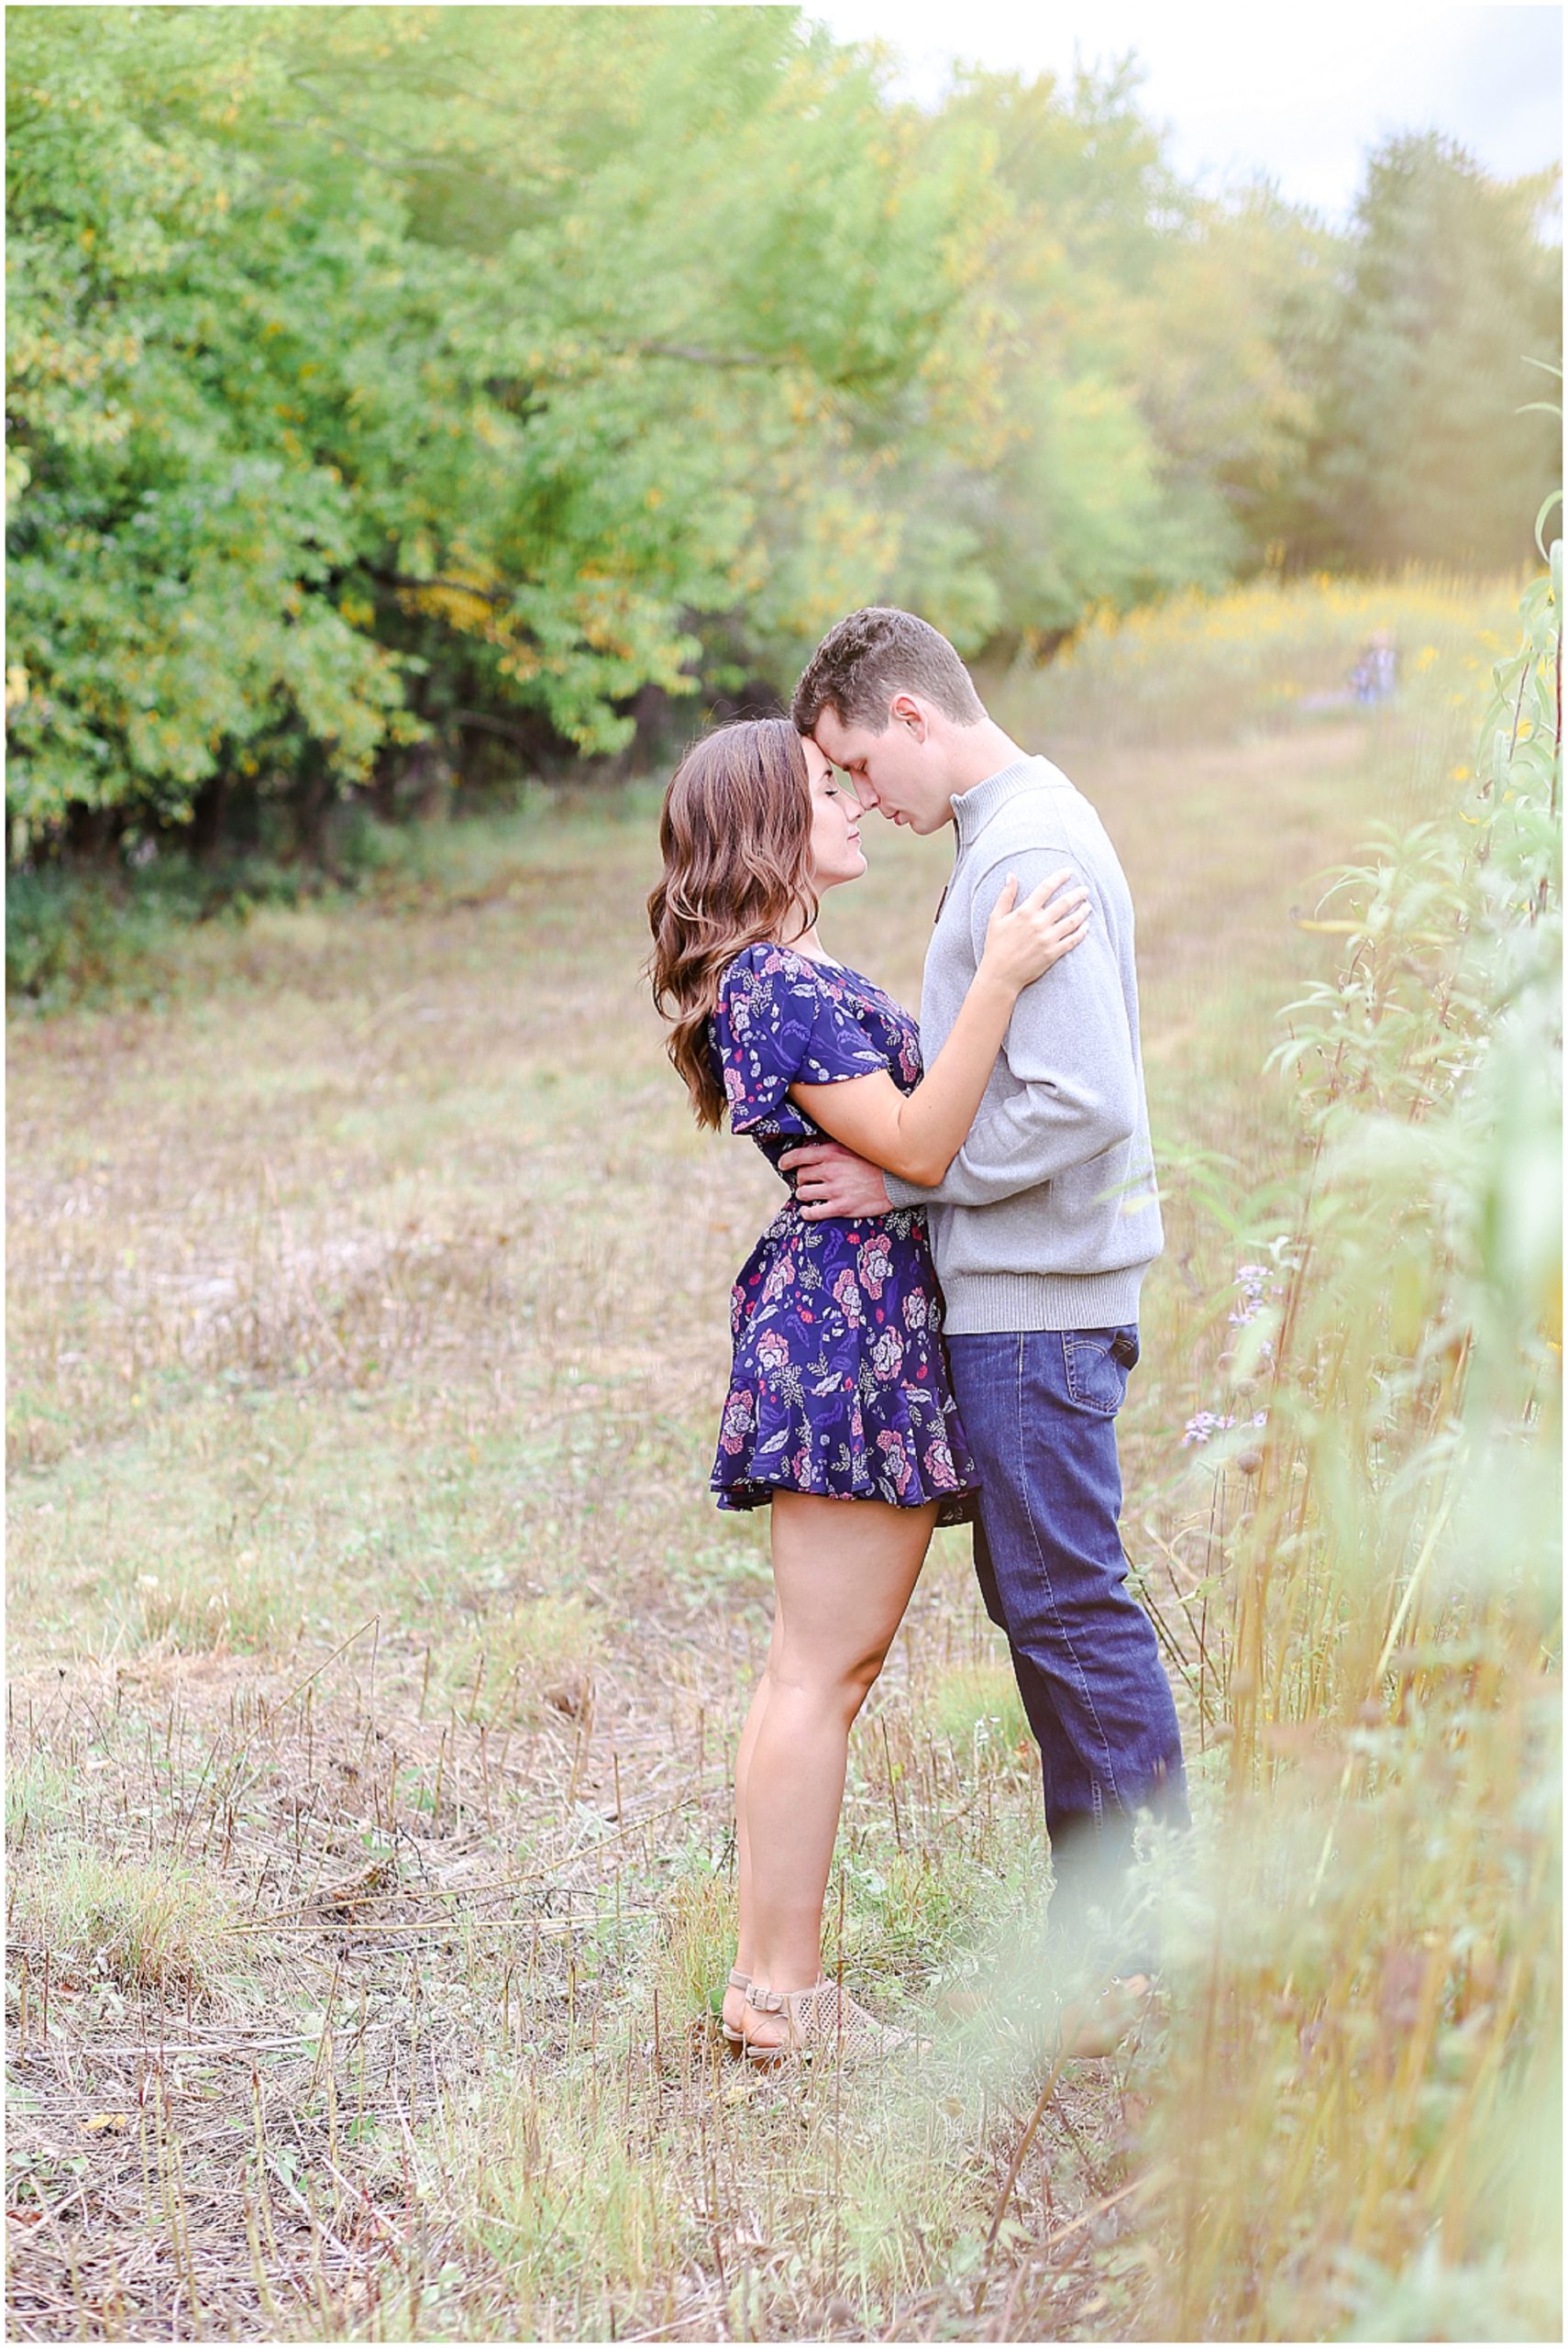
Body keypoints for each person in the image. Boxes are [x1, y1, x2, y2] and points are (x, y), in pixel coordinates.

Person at [647, 716, 1089, 2062]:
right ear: (768, 832)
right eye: (821, 789)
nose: (848, 801)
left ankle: (777, 1990)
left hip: (862, 1309)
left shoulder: (795, 969)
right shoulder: (770, 983)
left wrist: (895, 1170)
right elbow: (915, 1133)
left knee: (831, 1668)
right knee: (817, 1673)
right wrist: (999, 984)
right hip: (842, 1326)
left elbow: (891, 1153)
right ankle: (777, 1998)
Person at [784, 607, 1190, 2003]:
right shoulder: (1009, 831)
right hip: (1026, 1292)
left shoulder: (1023, 845)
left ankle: (1136, 1949)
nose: (856, 801)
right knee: (1046, 1601)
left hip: (1037, 1302)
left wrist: (906, 1184)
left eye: (853, 764)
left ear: (908, 716)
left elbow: (1081, 1101)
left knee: (1067, 1607)